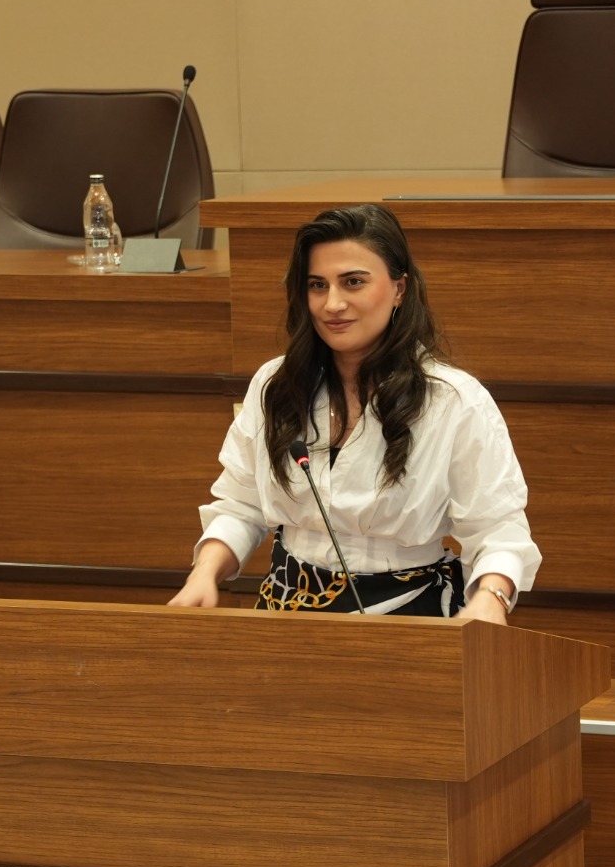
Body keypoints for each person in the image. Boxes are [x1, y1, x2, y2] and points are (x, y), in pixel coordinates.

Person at [167, 204, 537, 623]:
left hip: (412, 614)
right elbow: (240, 506)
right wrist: (204, 573)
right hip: (288, 609)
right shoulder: (277, 384)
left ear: (399, 289)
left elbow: (498, 530)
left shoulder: (454, 400)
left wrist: (490, 598)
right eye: (317, 285)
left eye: (353, 282)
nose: (332, 304)